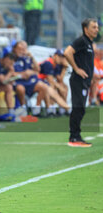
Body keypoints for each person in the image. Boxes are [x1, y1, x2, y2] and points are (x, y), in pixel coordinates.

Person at [64, 18, 99, 147]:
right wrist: (76, 69)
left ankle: (76, 136)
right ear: (86, 29)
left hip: (84, 80)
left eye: (97, 27)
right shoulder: (82, 41)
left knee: (81, 108)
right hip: (78, 80)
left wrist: (92, 73)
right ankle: (74, 137)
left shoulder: (89, 43)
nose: (97, 29)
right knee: (78, 108)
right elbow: (67, 52)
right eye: (93, 27)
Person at [39, 49, 69, 115]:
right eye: (60, 56)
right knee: (52, 86)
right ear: (55, 56)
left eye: (63, 57)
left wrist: (64, 68)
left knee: (64, 86)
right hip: (36, 80)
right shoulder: (49, 63)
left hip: (43, 81)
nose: (61, 58)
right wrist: (60, 88)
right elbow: (50, 80)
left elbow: (60, 79)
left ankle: (62, 108)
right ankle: (50, 108)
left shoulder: (57, 64)